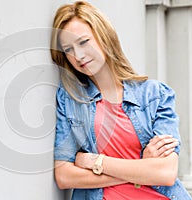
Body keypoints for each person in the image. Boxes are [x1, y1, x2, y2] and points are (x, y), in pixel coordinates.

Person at [50, 1, 192, 199]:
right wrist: (141, 167)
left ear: (104, 36)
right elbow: (64, 176)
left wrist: (94, 162)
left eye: (83, 42)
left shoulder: (155, 95)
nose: (78, 55)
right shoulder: (71, 99)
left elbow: (165, 173)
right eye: (69, 49)